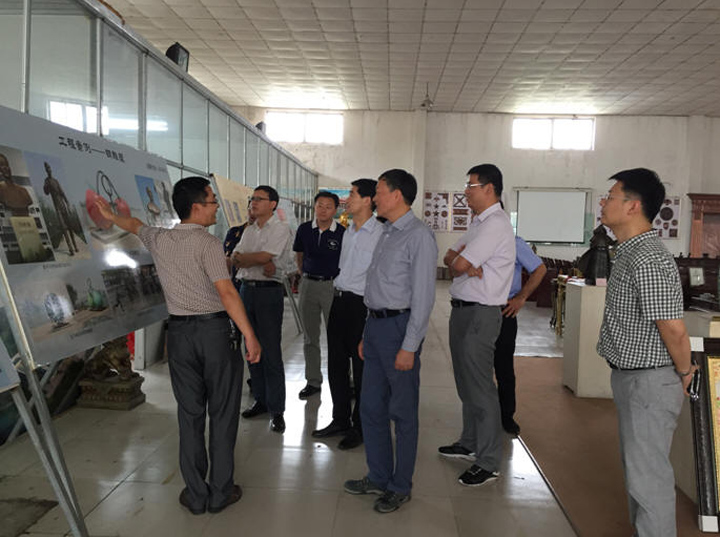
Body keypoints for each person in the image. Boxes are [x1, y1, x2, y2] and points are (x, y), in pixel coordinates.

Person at [95, 176, 261, 515]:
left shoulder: (160, 238)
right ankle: (220, 492)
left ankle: (196, 495)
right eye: (212, 201)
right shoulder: (208, 244)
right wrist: (249, 334)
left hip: (180, 337)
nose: (216, 207)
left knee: (190, 414)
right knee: (222, 413)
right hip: (215, 334)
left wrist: (111, 216)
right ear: (197, 207)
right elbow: (227, 293)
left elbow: (135, 224)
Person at [597, 168, 693, 537]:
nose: (603, 203)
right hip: (632, 378)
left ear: (633, 206)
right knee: (639, 474)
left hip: (649, 382)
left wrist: (684, 371)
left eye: (611, 197)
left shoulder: (648, 257)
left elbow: (673, 328)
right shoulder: (628, 251)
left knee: (648, 478)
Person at [344, 169, 437, 514]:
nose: (375, 198)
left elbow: (424, 298)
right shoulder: (386, 231)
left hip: (400, 329)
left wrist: (409, 346)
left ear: (397, 195)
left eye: (380, 192)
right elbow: (376, 286)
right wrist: (367, 333)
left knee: (403, 412)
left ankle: (400, 486)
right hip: (376, 327)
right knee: (371, 407)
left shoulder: (418, 236)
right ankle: (378, 476)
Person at [438, 164, 515, 487]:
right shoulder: (479, 223)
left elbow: (459, 264)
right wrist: (461, 263)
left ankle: (488, 461)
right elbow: (449, 258)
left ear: (489, 188)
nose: (465, 192)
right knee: (465, 382)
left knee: (480, 386)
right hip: (463, 310)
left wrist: (462, 263)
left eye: (471, 186)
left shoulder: (495, 224)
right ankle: (469, 442)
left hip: (481, 314)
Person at [312, 179, 382, 450]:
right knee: (336, 365)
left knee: (362, 368)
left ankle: (360, 426)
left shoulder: (380, 233)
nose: (347, 199)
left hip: (362, 305)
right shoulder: (348, 230)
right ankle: (339, 419)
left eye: (352, 194)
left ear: (367, 200)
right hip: (339, 300)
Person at [232, 185, 293, 433]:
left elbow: (262, 257)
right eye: (252, 199)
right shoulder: (249, 230)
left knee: (270, 351)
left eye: (259, 199)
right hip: (246, 291)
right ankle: (261, 400)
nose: (253, 203)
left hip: (268, 293)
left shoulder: (280, 228)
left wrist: (253, 259)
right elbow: (235, 256)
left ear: (273, 204)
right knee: (250, 347)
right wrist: (255, 259)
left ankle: (277, 410)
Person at [293, 191, 345, 399]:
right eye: (319, 205)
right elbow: (299, 254)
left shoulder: (342, 233)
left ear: (335, 210)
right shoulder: (304, 229)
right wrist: (303, 274)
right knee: (310, 337)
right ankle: (313, 381)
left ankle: (342, 380)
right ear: (314, 207)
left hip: (332, 286)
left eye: (328, 207)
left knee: (337, 337)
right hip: (308, 284)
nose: (323, 210)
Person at [495, 236, 547, 435]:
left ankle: (506, 416)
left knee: (503, 366)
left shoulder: (514, 242)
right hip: (478, 309)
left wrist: (521, 297)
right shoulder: (478, 237)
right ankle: (483, 415)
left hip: (504, 310)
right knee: (478, 368)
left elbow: (539, 269)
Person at [42, 162, 83, 256]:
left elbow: (62, 193)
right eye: (47, 169)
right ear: (46, 171)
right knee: (64, 228)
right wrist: (46, 185)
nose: (49, 170)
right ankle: (70, 248)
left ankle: (75, 245)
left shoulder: (56, 181)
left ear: (51, 169)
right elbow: (46, 193)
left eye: (49, 168)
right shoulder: (47, 181)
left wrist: (68, 204)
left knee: (70, 226)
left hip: (63, 206)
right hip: (57, 208)